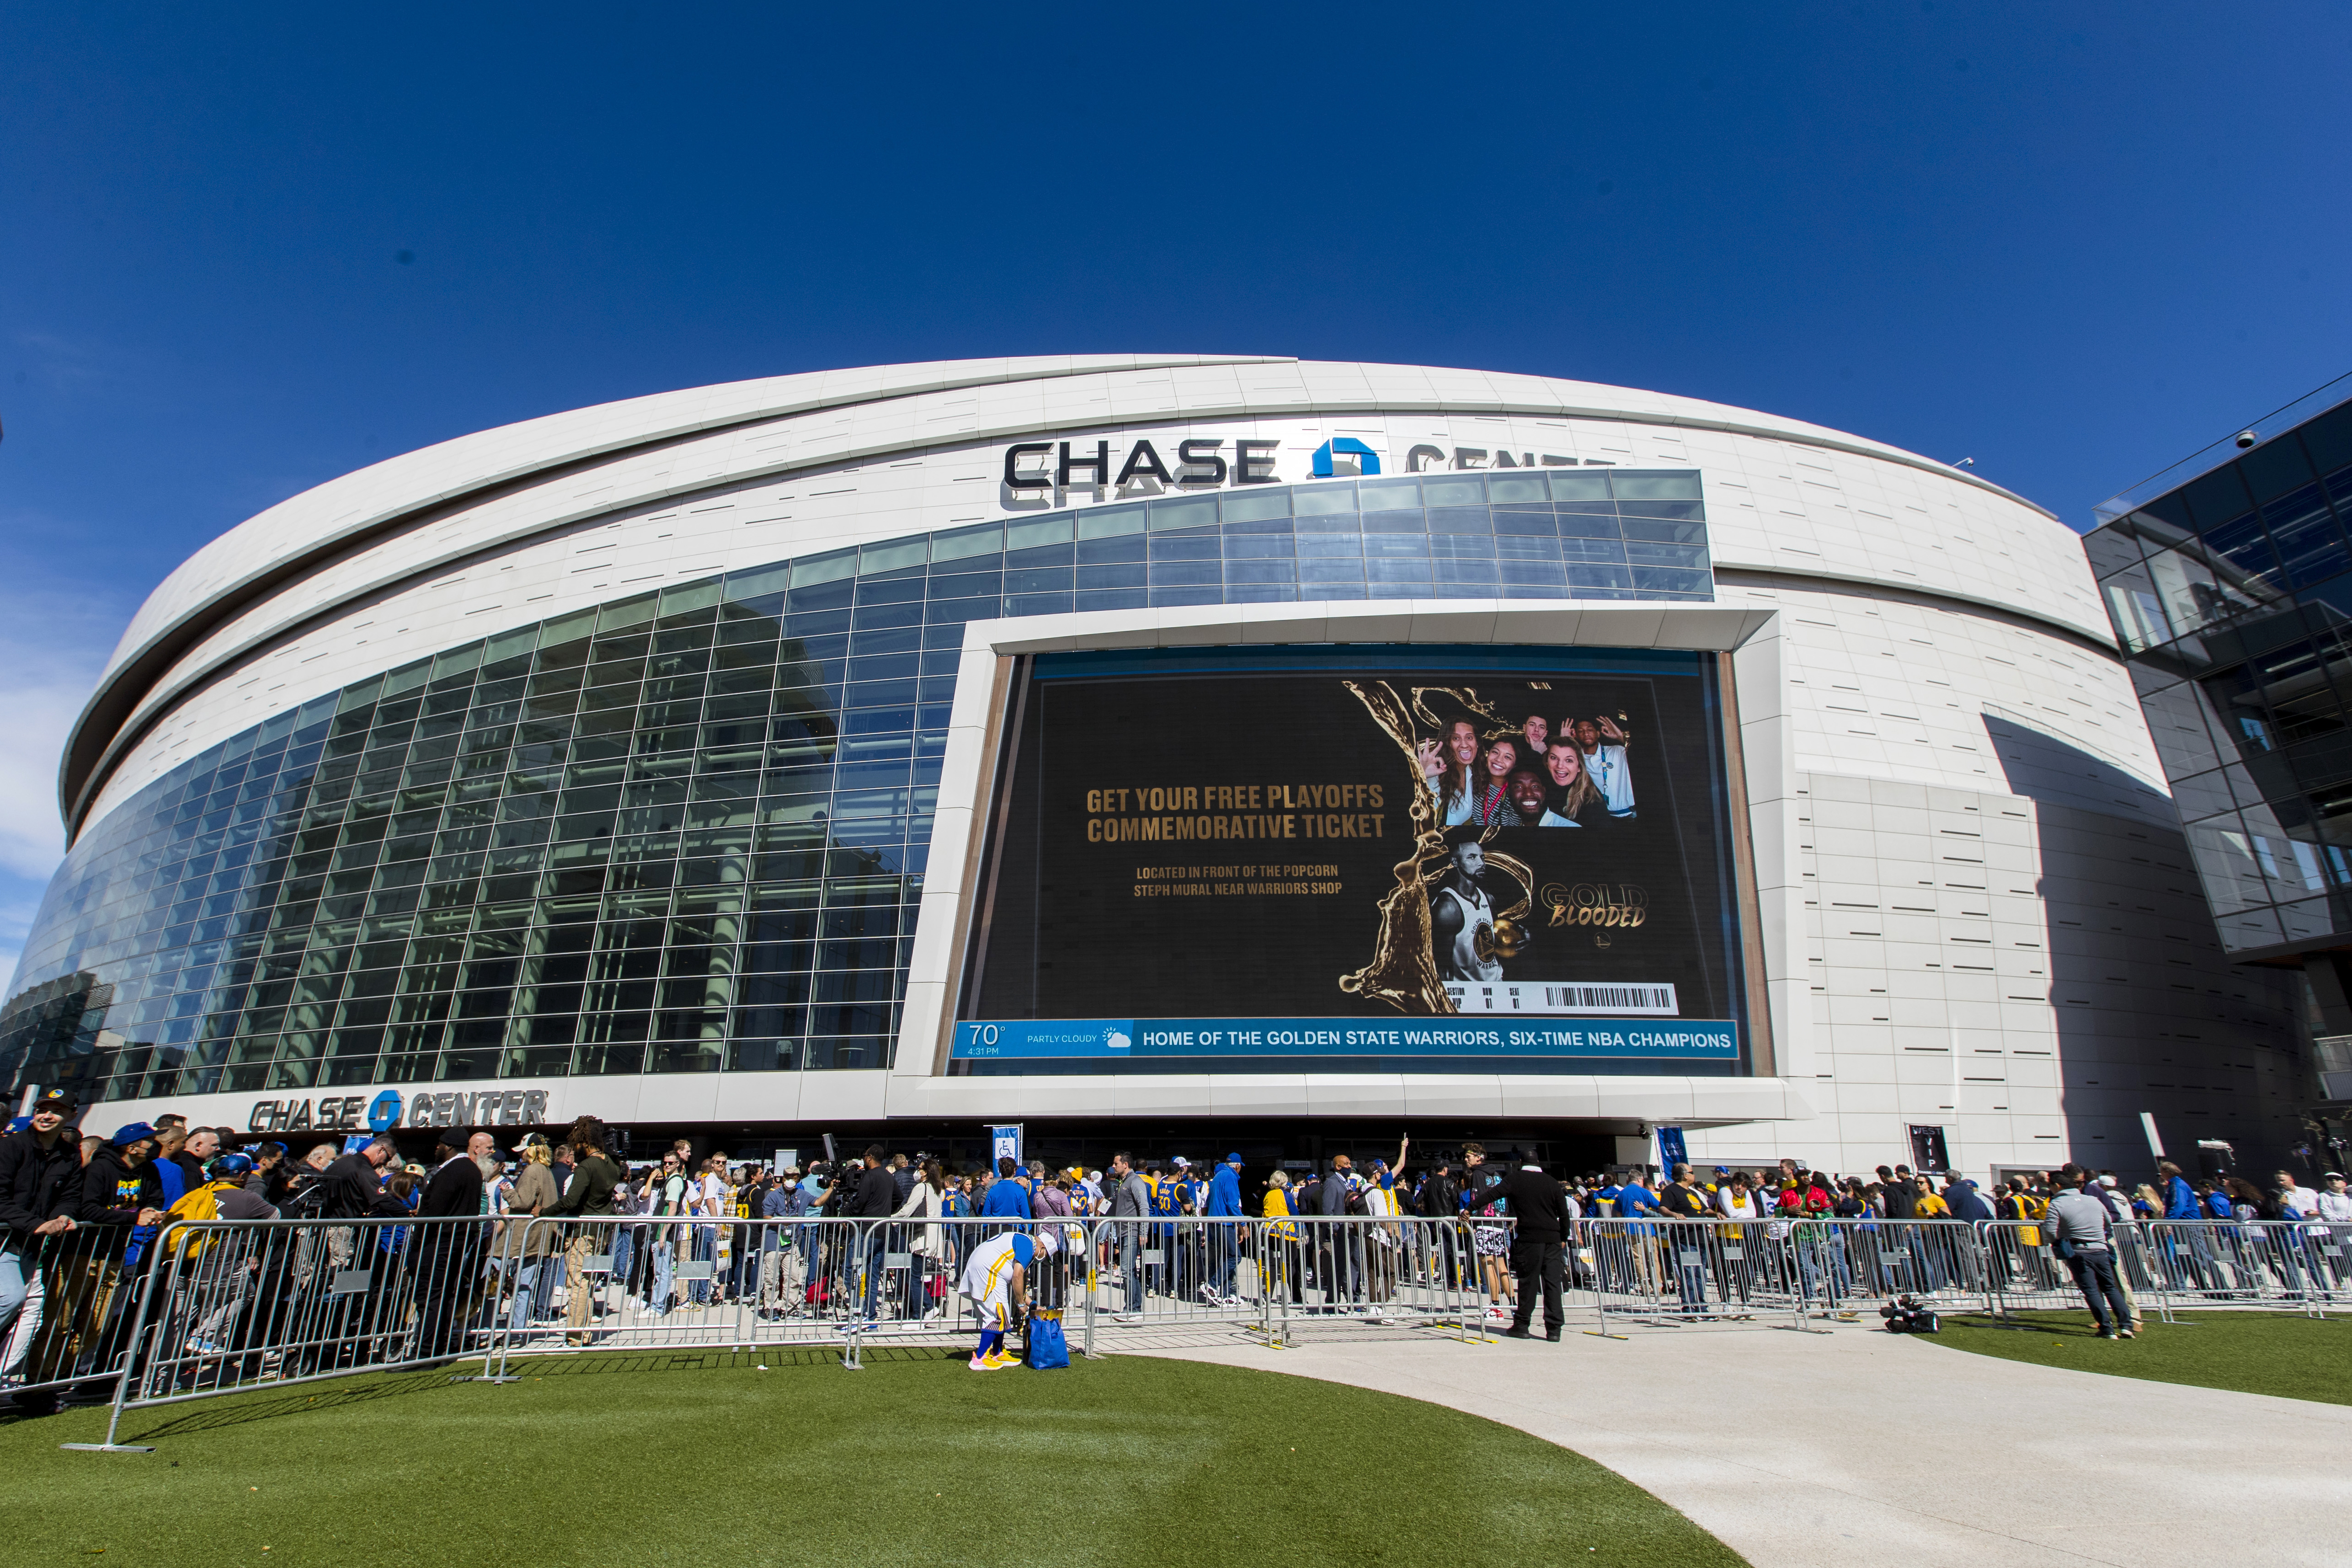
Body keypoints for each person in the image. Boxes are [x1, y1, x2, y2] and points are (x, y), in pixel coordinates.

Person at [0, 1088, 85, 1411]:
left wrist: (64, 1216)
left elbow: (71, 1196)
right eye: (43, 1109)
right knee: (12, 1298)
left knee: (33, 1312)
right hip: (9, 1240)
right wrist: (36, 1223)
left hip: (29, 1247)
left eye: (56, 1111)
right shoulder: (11, 1146)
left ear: (70, 1116)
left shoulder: (69, 1153)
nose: (47, 1115)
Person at [1459, 1153, 1571, 1339]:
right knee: (1552, 1284)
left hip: (1529, 1237)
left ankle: (1522, 1325)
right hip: (1552, 1237)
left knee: (1528, 1282)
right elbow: (1564, 1213)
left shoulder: (1515, 1179)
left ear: (1521, 1163)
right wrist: (1564, 1236)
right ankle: (1554, 1329)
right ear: (1538, 1163)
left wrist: (1470, 1208)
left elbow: (1491, 1195)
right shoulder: (1552, 1182)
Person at [412, 1128, 489, 1361]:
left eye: (440, 1144)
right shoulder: (471, 1170)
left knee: (431, 1298)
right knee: (442, 1296)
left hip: (439, 1242)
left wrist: (419, 1242)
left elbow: (434, 1209)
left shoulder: (454, 1171)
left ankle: (426, 1353)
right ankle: (438, 1350)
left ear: (449, 1147)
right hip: (453, 1242)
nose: (437, 1148)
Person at [2045, 1165, 2133, 1338]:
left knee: (2091, 1290)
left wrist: (2059, 1239)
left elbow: (2049, 1231)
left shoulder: (2057, 1203)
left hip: (2078, 1251)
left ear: (2057, 1186)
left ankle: (2107, 1328)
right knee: (2110, 1288)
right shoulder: (2094, 1200)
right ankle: (2126, 1325)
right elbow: (2108, 1221)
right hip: (2100, 1248)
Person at [958, 1228, 1044, 1371]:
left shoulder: (1024, 1241)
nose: (1043, 1258)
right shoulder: (1028, 1245)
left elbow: (1017, 1283)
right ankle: (979, 1358)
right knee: (996, 1317)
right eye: (1045, 1254)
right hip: (988, 1271)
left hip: (988, 1270)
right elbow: (1017, 1276)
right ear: (1042, 1247)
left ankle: (997, 1352)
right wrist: (1021, 1304)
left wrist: (1032, 1305)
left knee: (1001, 1315)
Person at [1429, 838, 1504, 983]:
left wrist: (1516, 937)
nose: (1481, 863)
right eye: (1472, 857)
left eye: (1483, 858)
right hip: (1469, 993)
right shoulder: (1448, 908)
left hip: (1498, 984)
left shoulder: (1489, 899)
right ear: (1455, 862)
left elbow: (1493, 941)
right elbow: (1438, 967)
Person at [1107, 1151, 1149, 1323]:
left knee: (1126, 1270)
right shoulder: (1122, 1181)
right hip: (1123, 1231)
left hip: (1132, 1232)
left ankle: (1133, 1308)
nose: (1114, 1166)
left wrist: (1143, 1232)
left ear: (1126, 1165)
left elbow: (1144, 1207)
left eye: (1116, 1163)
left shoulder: (1135, 1181)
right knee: (1129, 1271)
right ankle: (1134, 1307)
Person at [1419, 719, 1483, 827]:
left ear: (1477, 744)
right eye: (1456, 738)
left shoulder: (1473, 773)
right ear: (1447, 743)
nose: (1464, 744)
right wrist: (1419, 775)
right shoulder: (1433, 772)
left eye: (1469, 738)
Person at [1571, 716, 1636, 818]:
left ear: (1598, 733)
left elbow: (1642, 756)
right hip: (1603, 818)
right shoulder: (1576, 759)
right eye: (1581, 731)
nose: (1586, 734)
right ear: (1576, 736)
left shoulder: (1617, 751)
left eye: (1590, 730)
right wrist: (1565, 740)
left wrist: (1621, 737)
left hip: (1631, 815)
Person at [1541, 742, 1604, 827]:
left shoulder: (1591, 800)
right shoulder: (1542, 785)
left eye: (1569, 760)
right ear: (1547, 762)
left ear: (1579, 767)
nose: (1560, 766)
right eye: (1554, 758)